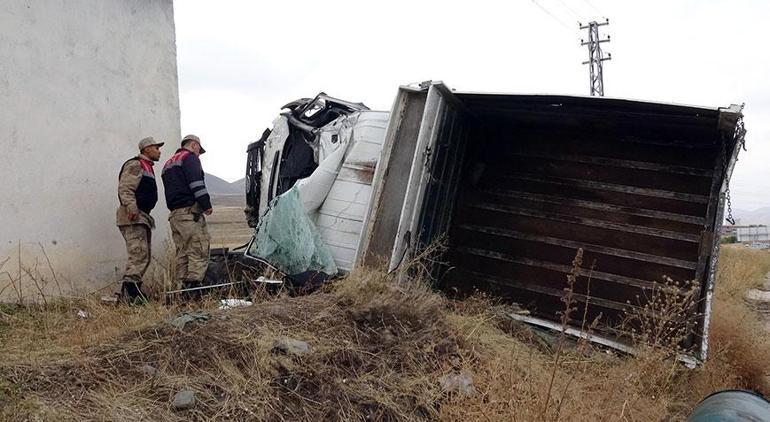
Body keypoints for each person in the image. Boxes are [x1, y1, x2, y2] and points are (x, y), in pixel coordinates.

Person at [161, 134, 213, 294]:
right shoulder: (189, 158)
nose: (199, 154)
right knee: (198, 250)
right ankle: (194, 292)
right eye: (199, 150)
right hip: (190, 214)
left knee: (182, 254)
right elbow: (196, 183)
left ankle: (181, 291)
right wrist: (206, 204)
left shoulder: (168, 163)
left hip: (175, 215)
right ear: (193, 145)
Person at [116, 136, 164, 304]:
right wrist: (131, 207)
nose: (159, 151)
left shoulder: (146, 166)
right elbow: (125, 188)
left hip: (141, 216)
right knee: (138, 255)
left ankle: (133, 293)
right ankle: (129, 296)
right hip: (133, 217)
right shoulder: (135, 164)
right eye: (156, 148)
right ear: (147, 149)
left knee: (143, 256)